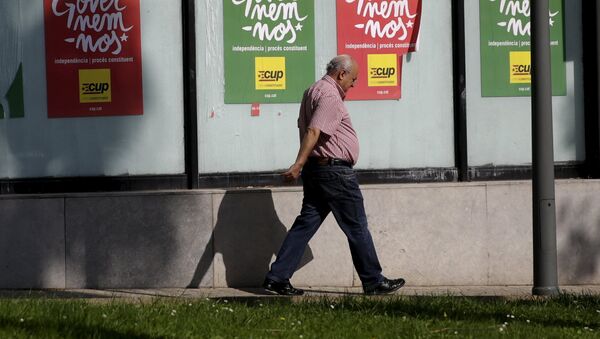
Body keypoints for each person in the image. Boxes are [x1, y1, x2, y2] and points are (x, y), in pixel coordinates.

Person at [263, 55, 405, 296]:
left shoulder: (312, 90)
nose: (354, 84)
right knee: (357, 226)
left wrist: (304, 164)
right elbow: (314, 130)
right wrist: (298, 164)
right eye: (353, 78)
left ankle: (277, 277)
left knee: (305, 224)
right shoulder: (330, 95)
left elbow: (308, 129)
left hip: (318, 171)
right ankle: (373, 280)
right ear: (341, 74)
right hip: (334, 172)